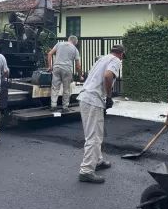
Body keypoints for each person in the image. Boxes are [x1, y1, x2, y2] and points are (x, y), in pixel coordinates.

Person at [77, 45, 125, 184]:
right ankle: (86, 171)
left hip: (86, 98)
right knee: (94, 137)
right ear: (121, 54)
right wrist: (109, 96)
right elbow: (108, 75)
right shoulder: (116, 60)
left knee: (94, 134)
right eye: (122, 56)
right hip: (93, 100)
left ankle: (97, 161)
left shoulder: (102, 59)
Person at [47, 35, 82, 112]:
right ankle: (65, 107)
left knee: (55, 87)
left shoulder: (59, 44)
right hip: (67, 69)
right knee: (66, 89)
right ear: (75, 42)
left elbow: (50, 54)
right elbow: (78, 66)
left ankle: (53, 106)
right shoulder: (75, 49)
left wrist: (50, 66)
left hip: (56, 67)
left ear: (68, 39)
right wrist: (80, 75)